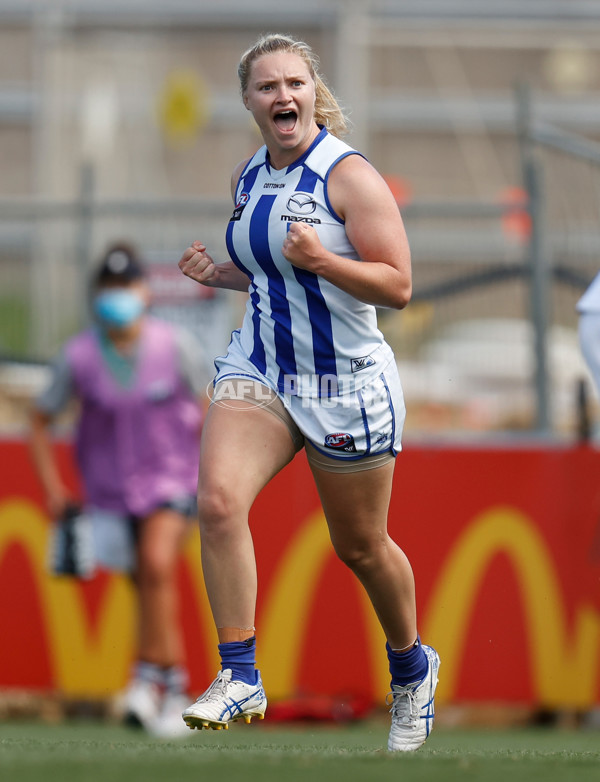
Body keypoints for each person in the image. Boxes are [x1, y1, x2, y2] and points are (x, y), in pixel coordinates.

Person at [177, 33, 440, 752]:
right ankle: (240, 675)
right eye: (267, 87)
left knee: (359, 547)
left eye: (293, 82)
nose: (282, 96)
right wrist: (221, 275)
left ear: (311, 92)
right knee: (218, 502)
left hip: (344, 382)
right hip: (260, 367)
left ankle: (412, 667)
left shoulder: (348, 177)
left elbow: (399, 285)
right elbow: (275, 279)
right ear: (249, 102)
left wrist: (324, 256)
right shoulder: (249, 175)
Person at [29, 242, 208, 738]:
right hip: (108, 493)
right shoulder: (80, 356)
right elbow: (40, 418)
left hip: (173, 482)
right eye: (109, 288)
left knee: (155, 565)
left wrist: (216, 474)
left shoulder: (174, 346)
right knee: (146, 586)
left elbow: (211, 403)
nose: (118, 297)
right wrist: (53, 487)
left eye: (126, 286)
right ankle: (167, 687)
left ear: (145, 291)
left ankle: (146, 680)